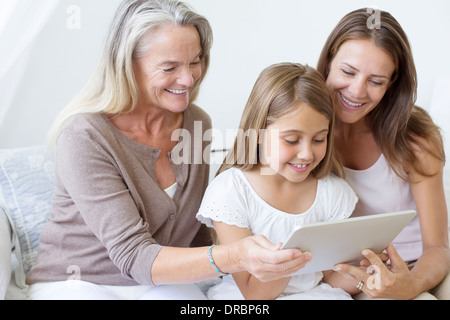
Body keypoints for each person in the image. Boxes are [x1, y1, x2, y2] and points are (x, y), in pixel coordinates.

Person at [25, 0, 308, 300]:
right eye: (170, 67)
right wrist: (234, 256)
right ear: (128, 65)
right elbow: (134, 256)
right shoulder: (84, 137)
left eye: (195, 61)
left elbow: (197, 231)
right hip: (78, 281)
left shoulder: (197, 123)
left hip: (158, 281)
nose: (188, 79)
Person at [196, 62, 359, 300]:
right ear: (259, 134)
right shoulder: (231, 191)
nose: (306, 153)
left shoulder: (332, 193)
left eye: (319, 139)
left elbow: (332, 277)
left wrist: (367, 276)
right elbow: (254, 292)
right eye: (292, 140)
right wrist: (297, 252)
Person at [317, 8, 450, 300]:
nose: (356, 90)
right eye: (348, 72)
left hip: (419, 266)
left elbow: (438, 248)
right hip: (356, 278)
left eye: (376, 81)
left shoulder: (416, 139)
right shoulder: (304, 136)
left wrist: (411, 285)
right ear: (328, 62)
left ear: (392, 84)